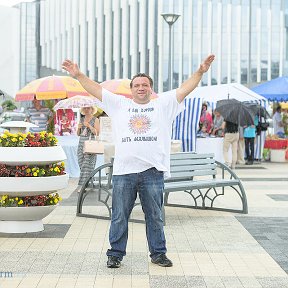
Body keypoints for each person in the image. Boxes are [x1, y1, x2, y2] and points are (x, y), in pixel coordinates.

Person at [62, 54, 215, 269]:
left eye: (145, 85)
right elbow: (95, 88)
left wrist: (200, 72)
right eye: (137, 85)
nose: (141, 88)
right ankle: (115, 254)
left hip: (152, 171)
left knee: (154, 216)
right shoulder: (119, 104)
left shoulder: (162, 104)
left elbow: (184, 89)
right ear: (131, 89)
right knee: (119, 216)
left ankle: (158, 254)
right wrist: (78, 75)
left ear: (151, 89)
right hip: (124, 171)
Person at [75, 106, 100, 192]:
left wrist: (89, 125)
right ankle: (90, 182)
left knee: (87, 164)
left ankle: (82, 186)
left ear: (92, 109)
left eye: (88, 108)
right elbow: (78, 134)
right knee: (81, 164)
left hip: (90, 144)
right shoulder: (81, 119)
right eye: (84, 108)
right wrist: (78, 127)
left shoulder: (95, 119)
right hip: (81, 144)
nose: (86, 110)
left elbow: (97, 132)